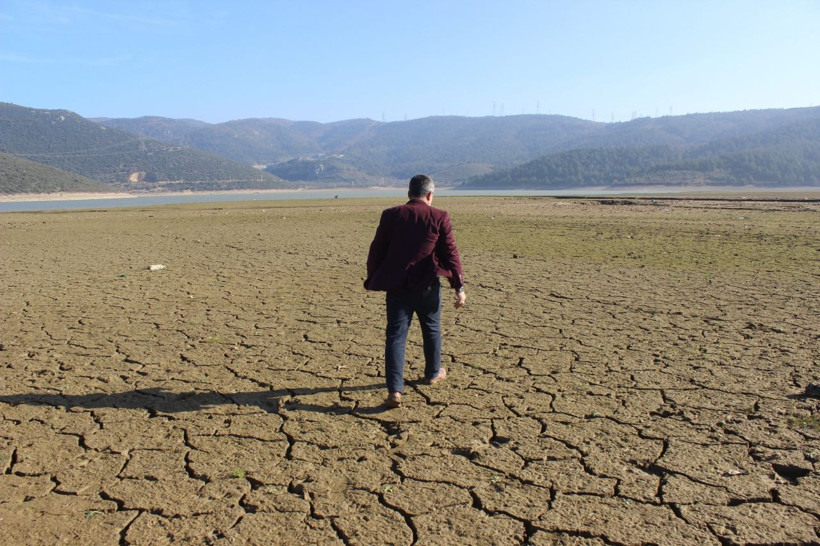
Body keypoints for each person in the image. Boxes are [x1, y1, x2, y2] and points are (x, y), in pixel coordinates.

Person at [364, 174, 466, 408]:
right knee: (431, 329)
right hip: (428, 286)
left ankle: (395, 391)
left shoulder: (391, 215)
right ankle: (432, 373)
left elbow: (376, 250)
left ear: (409, 193)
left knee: (396, 336)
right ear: (430, 195)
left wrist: (374, 278)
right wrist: (458, 286)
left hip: (397, 288)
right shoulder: (439, 216)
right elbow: (451, 254)